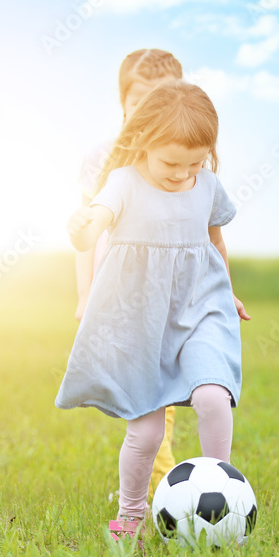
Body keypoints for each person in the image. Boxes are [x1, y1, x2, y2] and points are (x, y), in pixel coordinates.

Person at [57, 80, 251, 542]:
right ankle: (129, 517)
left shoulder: (207, 186)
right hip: (139, 321)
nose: (183, 174)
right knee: (145, 433)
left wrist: (230, 292)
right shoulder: (123, 183)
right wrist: (81, 230)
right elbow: (94, 226)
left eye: (195, 163)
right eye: (171, 163)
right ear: (142, 141)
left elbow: (214, 239)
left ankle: (224, 494)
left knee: (212, 397)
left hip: (201, 308)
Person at [74, 49, 184, 499]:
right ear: (123, 101)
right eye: (140, 100)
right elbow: (83, 231)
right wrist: (84, 295)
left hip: (171, 293)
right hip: (119, 295)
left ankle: (156, 485)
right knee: (147, 399)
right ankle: (161, 488)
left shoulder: (181, 157)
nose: (149, 110)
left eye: (163, 99)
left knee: (160, 397)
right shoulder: (104, 158)